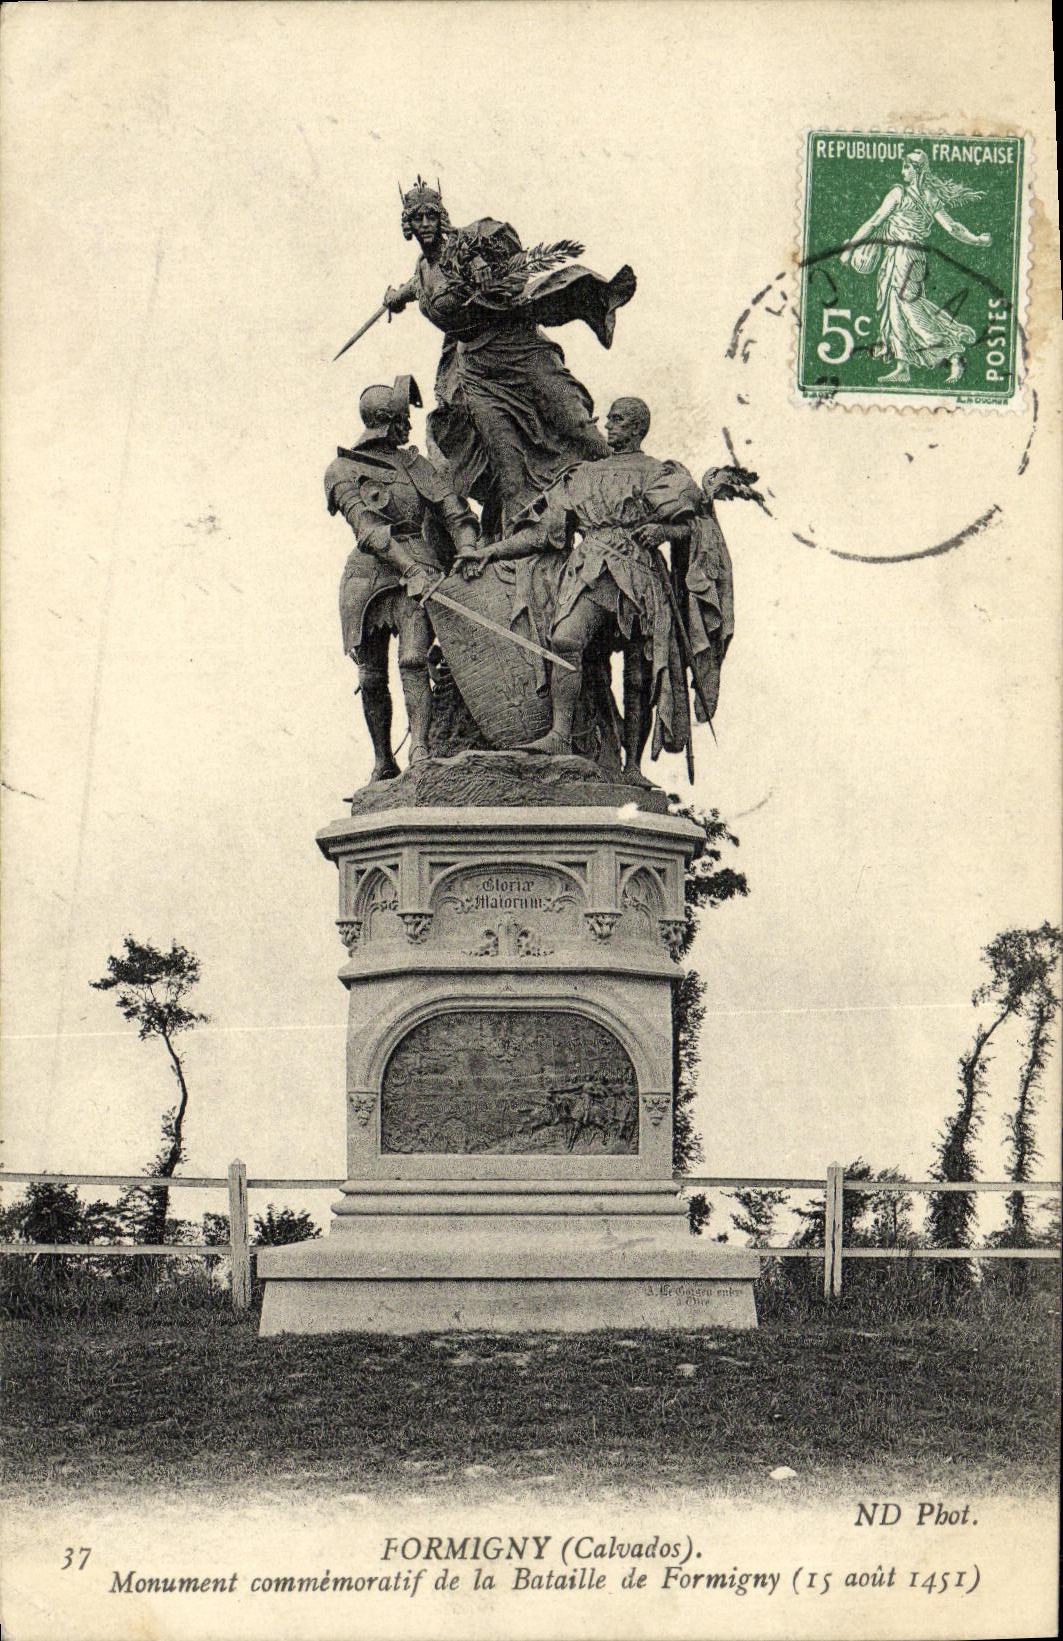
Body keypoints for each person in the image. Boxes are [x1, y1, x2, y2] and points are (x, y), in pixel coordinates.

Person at [458, 397, 742, 782]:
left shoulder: (660, 473)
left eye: (619, 419)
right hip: (590, 568)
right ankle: (559, 735)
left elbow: (692, 527)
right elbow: (545, 534)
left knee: (639, 674)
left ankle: (633, 767)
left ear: (639, 427)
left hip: (639, 576)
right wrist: (489, 553)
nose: (609, 425)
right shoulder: (582, 476)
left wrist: (664, 530)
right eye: (609, 418)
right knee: (565, 639)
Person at [382, 177, 636, 535]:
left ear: (441, 218)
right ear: (407, 223)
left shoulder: (467, 249)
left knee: (573, 422)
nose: (424, 224)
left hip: (517, 350)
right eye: (416, 217)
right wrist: (399, 296)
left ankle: (628, 482)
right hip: (477, 373)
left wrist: (487, 270)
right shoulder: (423, 269)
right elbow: (421, 287)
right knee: (507, 465)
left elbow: (507, 259)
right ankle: (512, 554)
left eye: (430, 216)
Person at [324, 375, 478, 781]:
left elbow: (454, 509)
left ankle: (422, 749)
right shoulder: (341, 469)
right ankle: (382, 759)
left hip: (420, 565)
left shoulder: (412, 463)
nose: (409, 426)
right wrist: (407, 567)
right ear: (387, 420)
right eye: (403, 418)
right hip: (370, 577)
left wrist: (467, 550)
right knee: (371, 675)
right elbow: (367, 529)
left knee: (413, 659)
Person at [841, 149, 992, 385]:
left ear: (917, 170)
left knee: (910, 310)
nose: (903, 172)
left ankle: (953, 353)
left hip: (902, 256)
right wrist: (977, 240)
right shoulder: (930, 197)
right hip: (911, 257)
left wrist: (850, 247)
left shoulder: (898, 193)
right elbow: (953, 228)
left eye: (907, 167)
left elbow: (874, 221)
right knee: (896, 309)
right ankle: (903, 366)